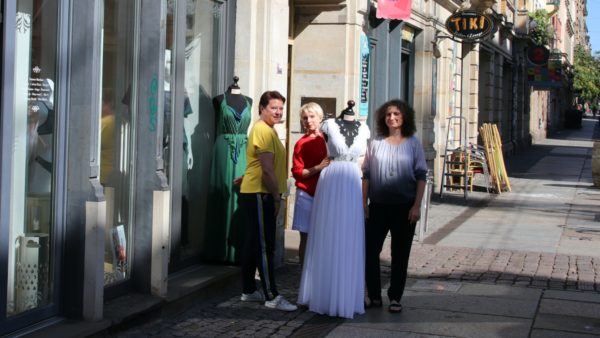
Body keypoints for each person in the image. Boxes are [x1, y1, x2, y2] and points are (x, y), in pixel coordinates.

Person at [298, 100, 370, 319]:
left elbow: (363, 160)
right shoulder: (328, 125)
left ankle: (347, 293)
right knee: (327, 235)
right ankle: (323, 292)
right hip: (331, 181)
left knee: (349, 237)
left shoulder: (364, 128)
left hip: (351, 181)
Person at [362, 99, 427, 313]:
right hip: (378, 206)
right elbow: (367, 175)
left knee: (400, 254)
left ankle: (395, 296)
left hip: (404, 207)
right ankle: (373, 295)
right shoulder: (375, 142)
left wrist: (416, 206)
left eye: (396, 114)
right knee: (370, 251)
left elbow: (421, 176)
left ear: (404, 117)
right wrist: (364, 203)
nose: (392, 118)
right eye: (388, 114)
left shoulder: (413, 143)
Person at [238, 90, 297, 312]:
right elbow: (268, 170)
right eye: (274, 108)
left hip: (253, 190)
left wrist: (245, 178)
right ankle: (272, 295)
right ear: (262, 108)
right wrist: (276, 198)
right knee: (265, 246)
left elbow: (257, 164)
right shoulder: (263, 130)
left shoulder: (266, 130)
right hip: (260, 194)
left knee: (253, 244)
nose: (278, 112)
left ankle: (248, 290)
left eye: (281, 108)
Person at [204, 78, 253, 263]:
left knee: (242, 194)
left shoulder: (249, 100)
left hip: (243, 152)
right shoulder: (218, 99)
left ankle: (238, 249)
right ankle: (218, 250)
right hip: (224, 149)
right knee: (222, 192)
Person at [291, 103, 329, 266]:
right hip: (305, 195)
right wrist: (318, 168)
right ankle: (305, 274)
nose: (308, 120)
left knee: (324, 236)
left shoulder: (329, 140)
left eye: (312, 116)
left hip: (325, 194)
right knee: (305, 237)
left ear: (320, 118)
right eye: (305, 118)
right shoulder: (300, 143)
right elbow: (297, 172)